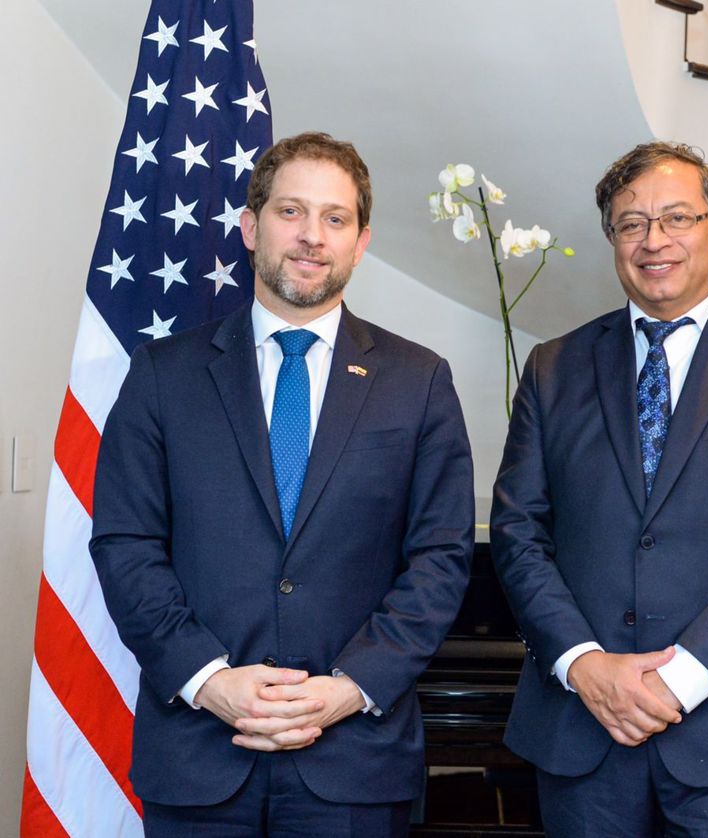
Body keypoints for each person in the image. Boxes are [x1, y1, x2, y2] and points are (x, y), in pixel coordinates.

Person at [91, 132, 474, 836]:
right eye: (291, 212)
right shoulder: (161, 374)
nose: (311, 236)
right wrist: (209, 680)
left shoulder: (418, 382)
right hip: (200, 753)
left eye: (335, 218)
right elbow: (126, 543)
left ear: (361, 242)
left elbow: (442, 556)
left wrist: (349, 689)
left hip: (354, 759)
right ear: (250, 226)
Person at [490, 141, 708, 837]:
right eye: (631, 224)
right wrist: (586, 666)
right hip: (581, 730)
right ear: (613, 239)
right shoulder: (553, 368)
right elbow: (518, 533)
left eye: (677, 218)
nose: (655, 241)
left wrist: (676, 680)